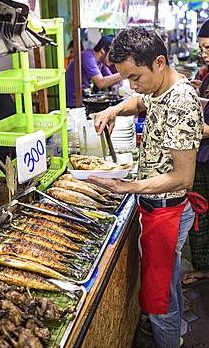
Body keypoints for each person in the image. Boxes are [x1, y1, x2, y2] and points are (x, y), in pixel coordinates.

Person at [88, 27, 206, 348]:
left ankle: (169, 339)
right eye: (126, 77)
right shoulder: (158, 89)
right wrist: (113, 109)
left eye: (135, 76)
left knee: (159, 302)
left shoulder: (181, 102)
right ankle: (177, 334)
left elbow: (183, 178)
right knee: (167, 286)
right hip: (157, 209)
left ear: (159, 62)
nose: (131, 85)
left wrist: (127, 186)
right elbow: (139, 101)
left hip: (167, 213)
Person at [181, 19, 209, 286]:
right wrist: (196, 91)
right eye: (202, 49)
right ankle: (204, 267)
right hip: (202, 158)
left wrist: (188, 127)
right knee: (201, 215)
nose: (204, 54)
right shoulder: (208, 73)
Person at [65, 34, 123, 108]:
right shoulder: (88, 56)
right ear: (103, 50)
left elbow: (111, 80)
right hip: (74, 103)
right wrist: (124, 73)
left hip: (84, 100)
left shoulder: (100, 61)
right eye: (112, 55)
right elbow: (101, 83)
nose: (114, 59)